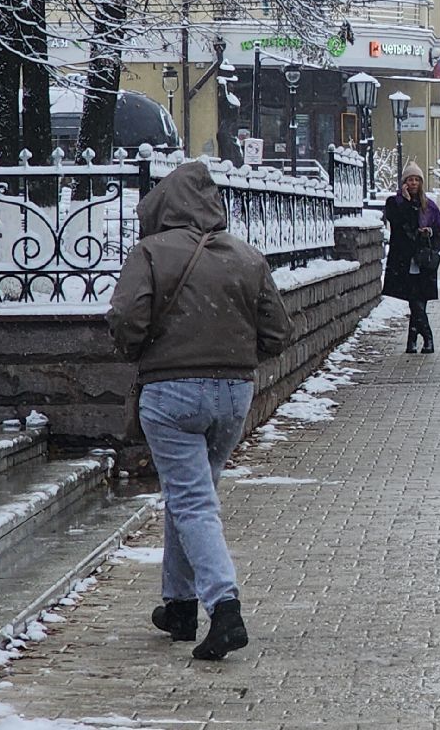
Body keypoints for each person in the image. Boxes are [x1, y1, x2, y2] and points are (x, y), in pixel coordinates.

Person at [106, 161, 288, 661]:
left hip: (171, 396)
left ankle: (224, 607)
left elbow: (126, 319)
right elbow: (278, 333)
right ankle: (180, 606)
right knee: (190, 494)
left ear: (164, 205)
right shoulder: (246, 256)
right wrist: (232, 358)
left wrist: (143, 351)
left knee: (191, 501)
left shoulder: (150, 252)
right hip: (233, 395)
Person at [384, 163, 440, 354]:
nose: (413, 183)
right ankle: (428, 338)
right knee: (415, 300)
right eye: (410, 180)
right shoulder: (395, 203)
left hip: (424, 260)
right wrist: (407, 202)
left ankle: (412, 341)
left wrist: (429, 235)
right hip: (404, 260)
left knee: (419, 301)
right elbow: (398, 223)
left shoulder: (429, 206)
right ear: (404, 182)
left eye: (417, 180)